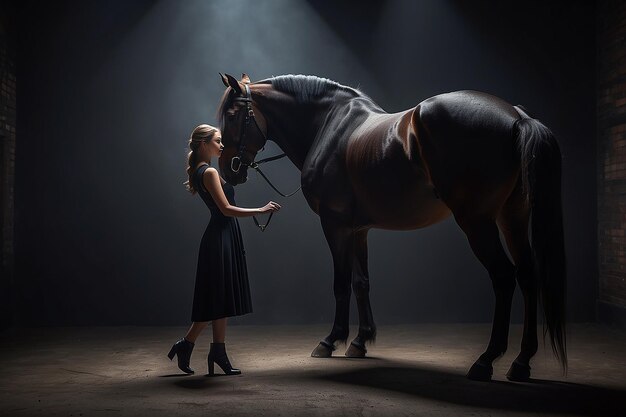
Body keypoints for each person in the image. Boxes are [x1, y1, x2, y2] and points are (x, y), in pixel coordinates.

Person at [168, 124, 281, 376]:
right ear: (203, 144)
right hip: (220, 237)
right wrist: (260, 210)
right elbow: (226, 209)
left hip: (223, 236)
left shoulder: (204, 169)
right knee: (217, 298)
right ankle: (192, 346)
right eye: (217, 141)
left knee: (221, 298)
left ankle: (211, 350)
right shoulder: (207, 172)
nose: (221, 145)